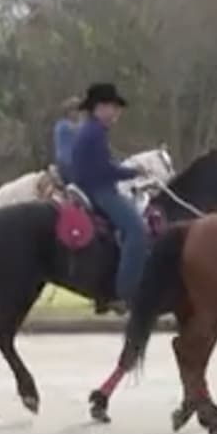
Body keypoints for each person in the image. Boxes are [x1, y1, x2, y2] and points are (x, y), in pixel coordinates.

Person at [70, 83, 146, 309]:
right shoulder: (94, 133)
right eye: (113, 107)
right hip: (99, 190)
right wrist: (133, 171)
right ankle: (125, 293)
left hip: (96, 186)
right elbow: (102, 170)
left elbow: (101, 164)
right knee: (136, 231)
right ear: (99, 108)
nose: (117, 113)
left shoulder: (92, 131)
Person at [52, 95, 82, 183]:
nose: (78, 113)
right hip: (67, 164)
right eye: (76, 110)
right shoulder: (62, 125)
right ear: (68, 112)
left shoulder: (73, 125)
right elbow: (79, 129)